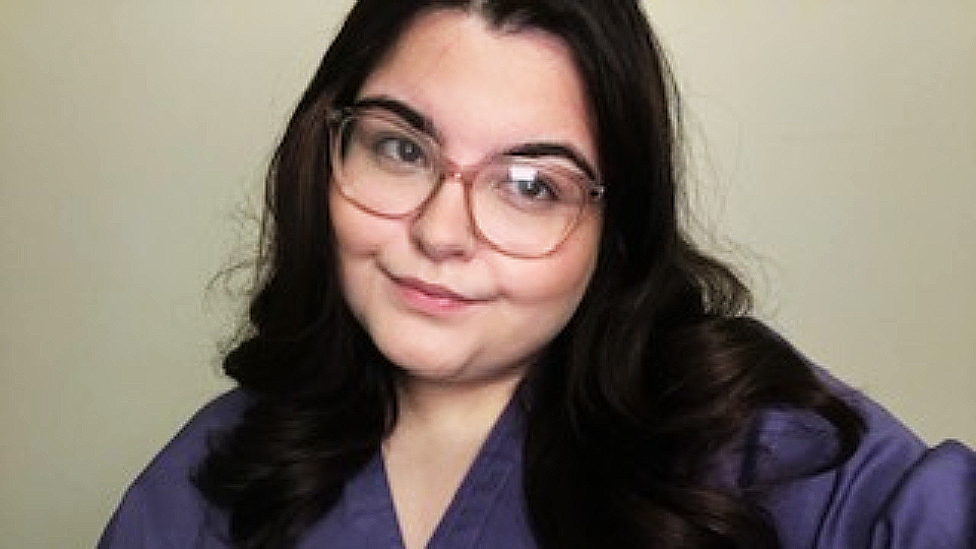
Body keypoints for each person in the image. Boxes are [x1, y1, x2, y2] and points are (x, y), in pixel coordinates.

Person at [98, 0, 975, 547]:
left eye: (530, 185)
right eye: (402, 147)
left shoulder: (745, 441)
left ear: (613, 228)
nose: (442, 231)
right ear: (327, 147)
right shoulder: (209, 477)